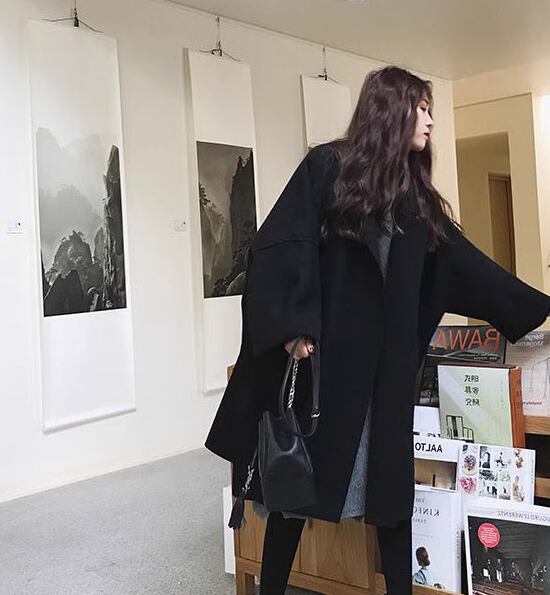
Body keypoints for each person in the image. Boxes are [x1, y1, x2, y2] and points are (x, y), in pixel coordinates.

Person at [205, 65, 550, 595]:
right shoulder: (328, 168)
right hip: (328, 367)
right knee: (295, 493)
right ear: (391, 109)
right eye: (422, 108)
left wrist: (536, 307)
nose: (430, 121)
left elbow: (467, 267)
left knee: (390, 501)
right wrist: (295, 327)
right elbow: (281, 245)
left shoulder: (417, 200)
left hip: (387, 376)